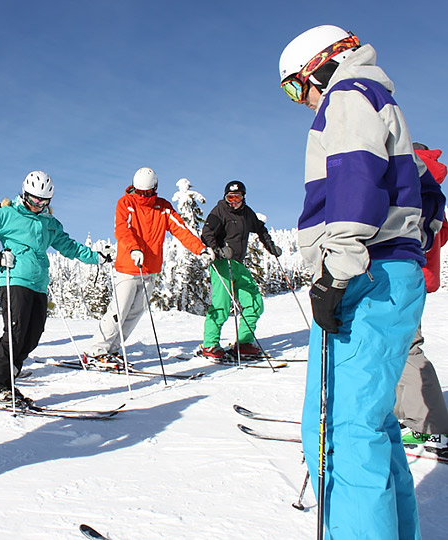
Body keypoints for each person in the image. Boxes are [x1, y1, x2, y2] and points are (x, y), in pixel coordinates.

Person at [279, 25, 444, 538]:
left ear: (321, 66)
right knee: (372, 428)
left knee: (341, 431)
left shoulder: (348, 96)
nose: (301, 101)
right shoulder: (382, 102)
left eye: (293, 87)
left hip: (364, 273)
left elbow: (353, 179)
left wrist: (337, 272)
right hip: (392, 273)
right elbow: (431, 204)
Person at [0, 171, 111, 403]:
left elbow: (70, 247)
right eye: (34, 199)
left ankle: (9, 374)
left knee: (33, 335)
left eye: (43, 201)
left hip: (39, 284)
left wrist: (96, 257)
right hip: (14, 280)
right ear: (24, 194)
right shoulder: (6, 214)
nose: (38, 205)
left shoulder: (50, 224)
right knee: (15, 334)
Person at [85, 167, 212, 368]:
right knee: (119, 311)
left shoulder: (163, 208)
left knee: (135, 313)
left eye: (147, 192)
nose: (143, 196)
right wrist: (134, 249)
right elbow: (122, 230)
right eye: (139, 192)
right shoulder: (125, 203)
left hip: (150, 269)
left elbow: (181, 230)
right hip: (128, 267)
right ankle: (97, 350)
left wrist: (201, 249)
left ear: (155, 189)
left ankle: (114, 349)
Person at [394, 142, 448, 453]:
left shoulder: (412, 176)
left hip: (405, 277)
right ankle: (408, 414)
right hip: (416, 277)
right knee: (398, 348)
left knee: (406, 350)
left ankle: (433, 428)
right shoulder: (432, 186)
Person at [199, 180, 281, 360]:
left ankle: (243, 343)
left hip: (238, 264)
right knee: (222, 305)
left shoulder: (247, 213)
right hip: (222, 264)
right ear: (225, 197)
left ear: (243, 198)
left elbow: (261, 229)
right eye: (230, 198)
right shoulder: (219, 211)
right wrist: (218, 250)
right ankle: (210, 344)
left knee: (254, 302)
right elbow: (206, 233)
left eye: (237, 198)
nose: (234, 202)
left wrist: (271, 247)